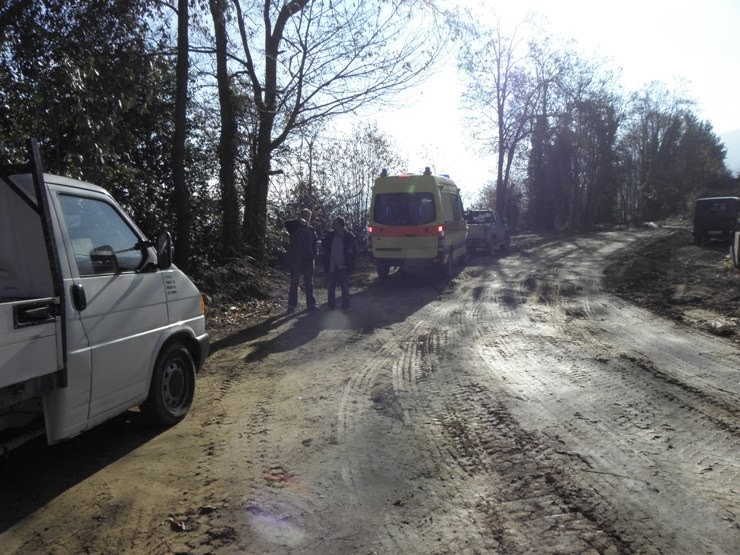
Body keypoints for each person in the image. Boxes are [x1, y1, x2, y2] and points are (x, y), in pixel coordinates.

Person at [284, 208, 318, 314]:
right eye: (305, 215)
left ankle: (311, 304)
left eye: (309, 216)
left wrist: (315, 252)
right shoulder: (294, 227)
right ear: (301, 216)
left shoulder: (311, 229)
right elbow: (286, 223)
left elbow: (315, 242)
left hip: (308, 259)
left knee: (309, 283)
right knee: (294, 282)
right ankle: (291, 305)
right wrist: (298, 221)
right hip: (297, 259)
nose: (307, 218)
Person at [322, 216, 357, 310]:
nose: (333, 224)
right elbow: (324, 247)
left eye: (335, 223)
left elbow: (355, 251)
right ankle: (331, 306)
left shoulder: (349, 236)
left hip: (343, 266)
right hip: (332, 265)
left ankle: (346, 306)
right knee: (330, 288)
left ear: (340, 224)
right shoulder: (330, 236)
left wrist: (350, 263)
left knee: (345, 288)